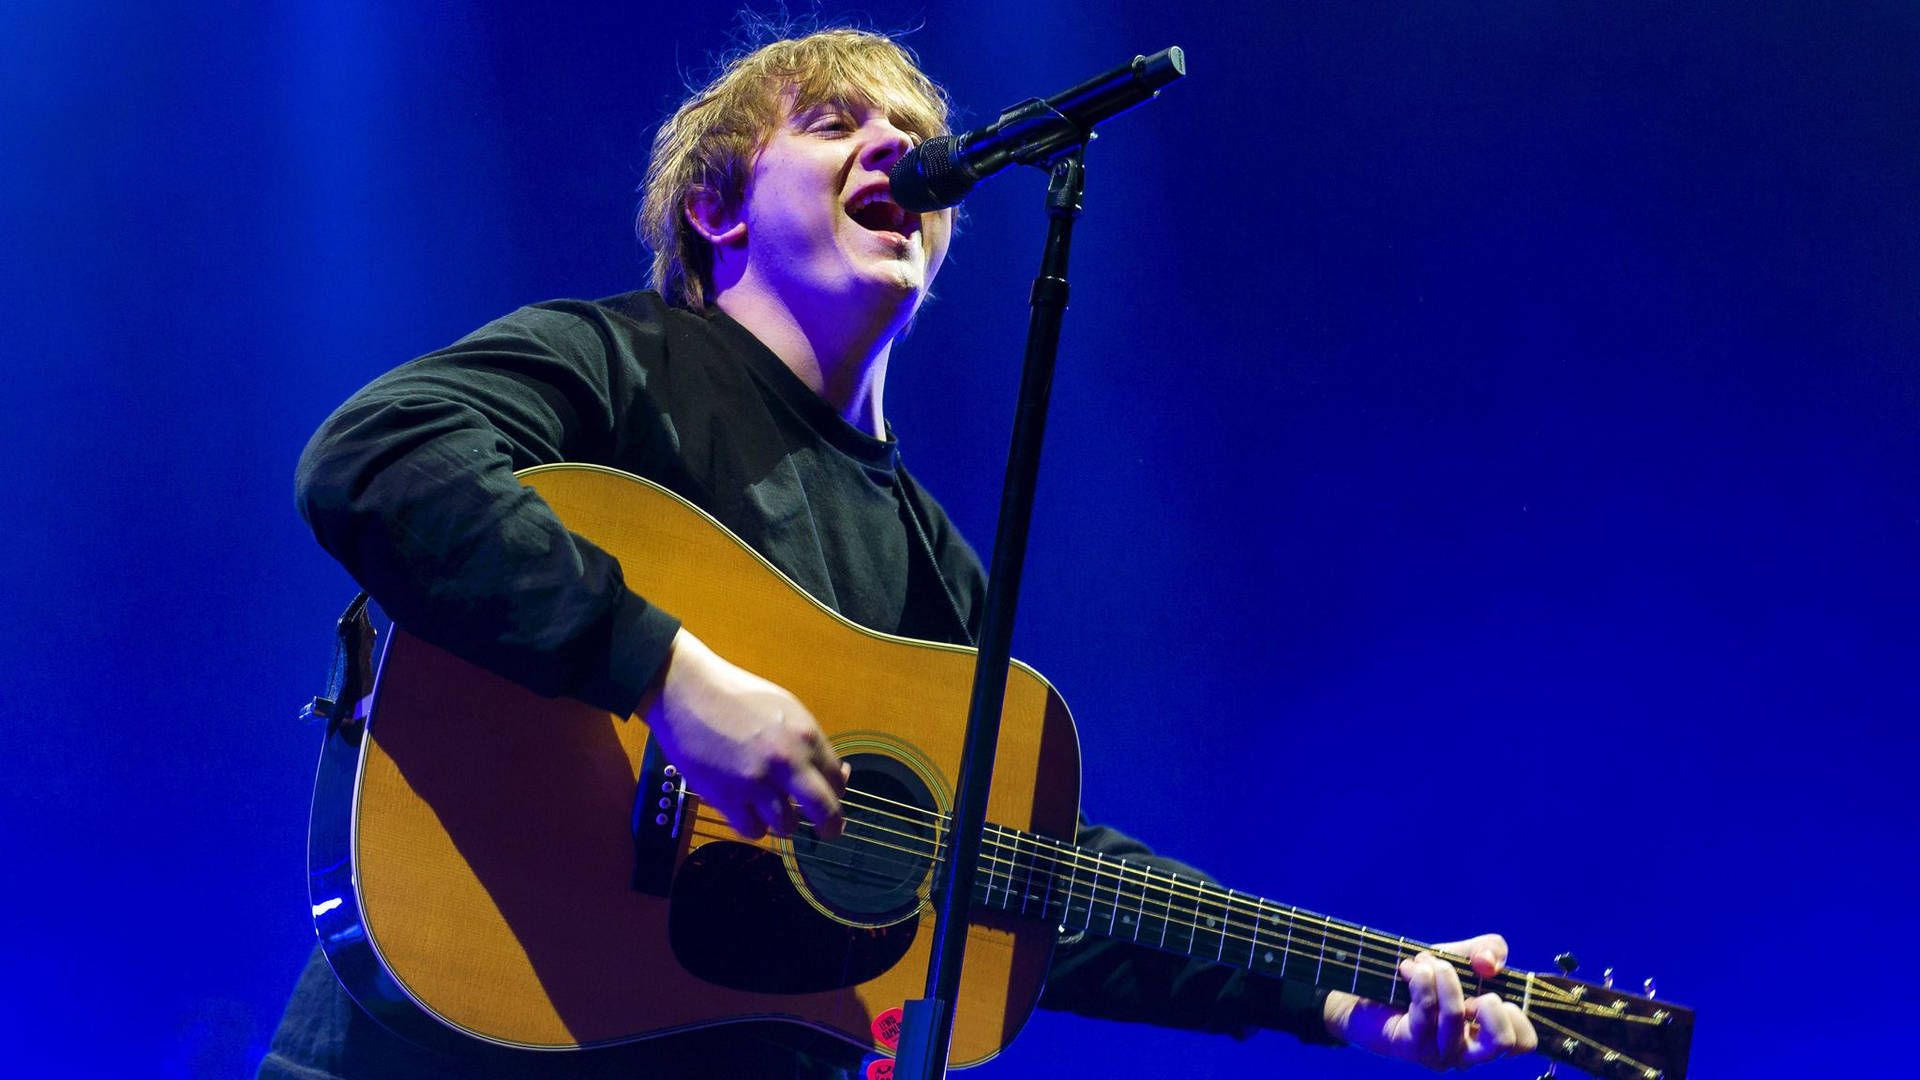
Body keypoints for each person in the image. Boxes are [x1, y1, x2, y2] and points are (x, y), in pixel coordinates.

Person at [258, 25, 1539, 1080]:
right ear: (714, 209)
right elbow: (379, 456)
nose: (897, 148)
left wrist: (1339, 995)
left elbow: (1026, 879)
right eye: (831, 124)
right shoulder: (618, 362)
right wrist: (667, 675)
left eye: (912, 134)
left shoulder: (928, 566)